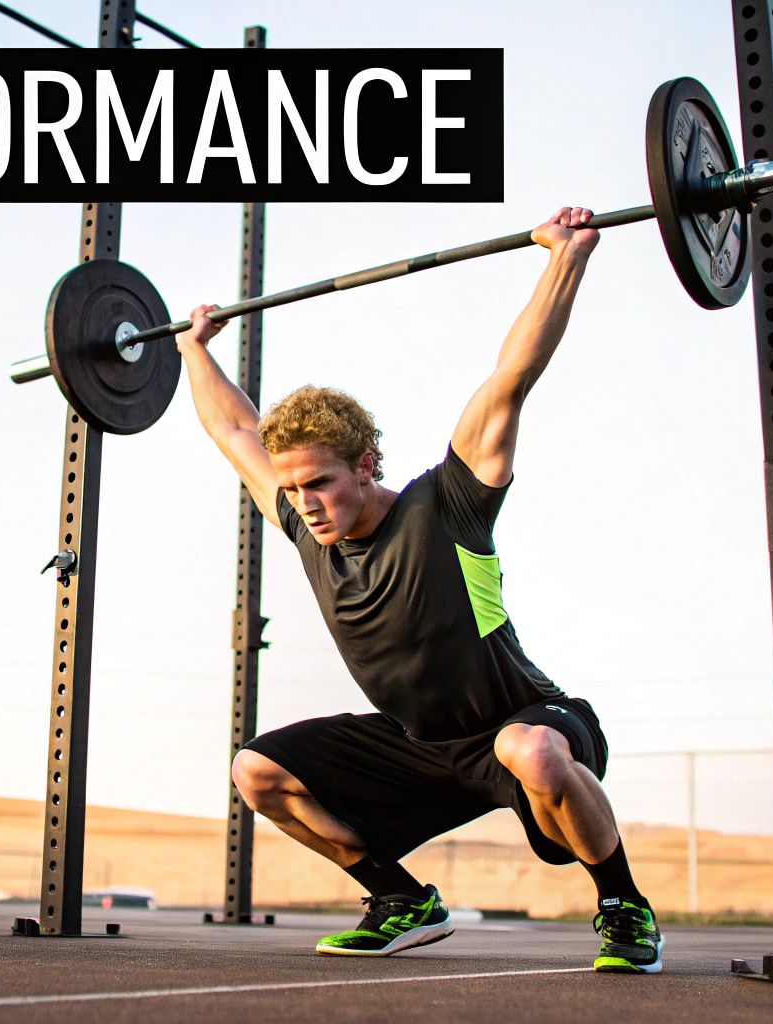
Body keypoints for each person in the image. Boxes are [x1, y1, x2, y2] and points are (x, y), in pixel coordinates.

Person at [175, 207, 660, 973]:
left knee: (528, 751)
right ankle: (400, 899)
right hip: (419, 747)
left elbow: (511, 380)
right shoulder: (308, 529)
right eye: (294, 487)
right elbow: (233, 433)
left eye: (321, 483)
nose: (304, 501)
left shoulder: (449, 504)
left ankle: (623, 906)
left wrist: (566, 258)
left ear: (366, 464)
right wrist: (191, 349)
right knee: (257, 771)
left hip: (525, 724)